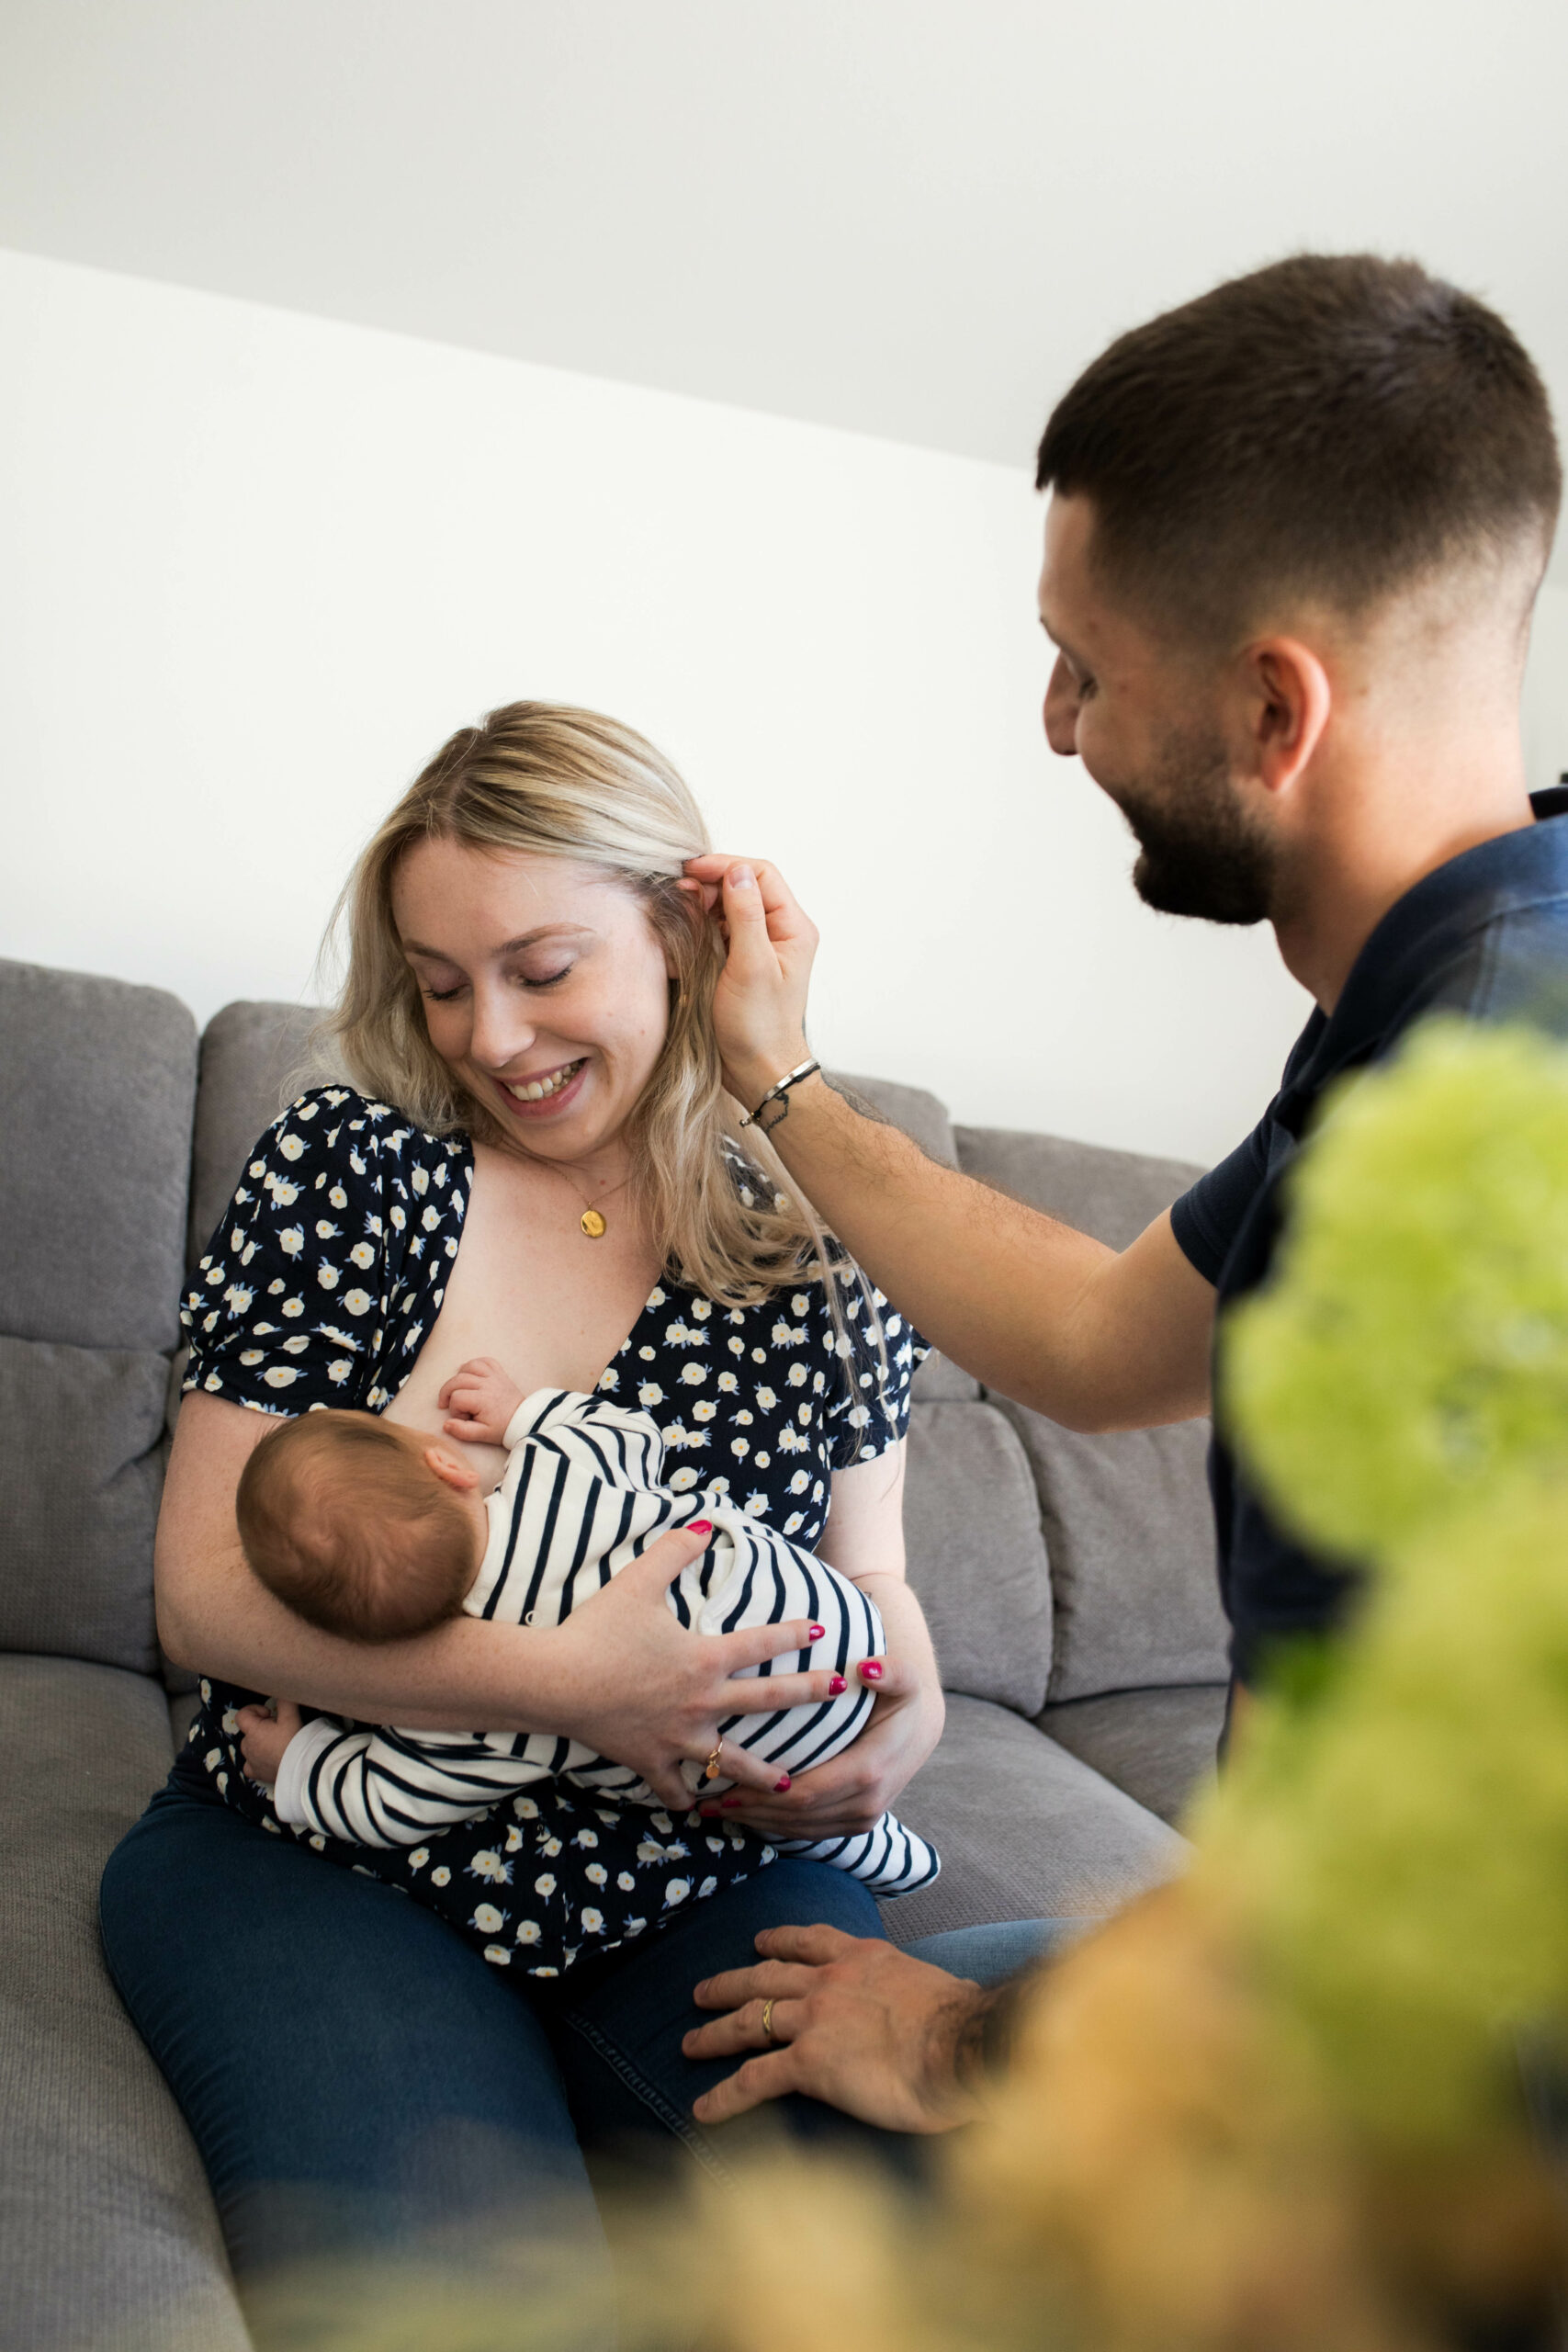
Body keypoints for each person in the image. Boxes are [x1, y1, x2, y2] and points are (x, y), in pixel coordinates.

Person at [678, 252, 1567, 2132]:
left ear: (1271, 710)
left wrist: (943, 2048)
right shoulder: (1480, 961)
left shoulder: (1452, 1165)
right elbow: (1095, 1340)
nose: (1054, 721)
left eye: (1087, 666)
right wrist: (777, 1070)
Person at [97, 703, 947, 2324]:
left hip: (697, 1871)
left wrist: (895, 1746)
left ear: (682, 938)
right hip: (332, 1850)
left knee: (888, 2265)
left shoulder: (825, 1228)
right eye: (438, 981)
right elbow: (200, 1598)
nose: (488, 1034)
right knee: (471, 2301)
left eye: (541, 968)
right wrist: (572, 1686)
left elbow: (880, 1587)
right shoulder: (351, 1166)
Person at [230, 1365, 939, 1932]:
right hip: (836, 1626)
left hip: (762, 1761)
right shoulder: (555, 1473)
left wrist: (296, 1765)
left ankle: (901, 1861)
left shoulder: (463, 1712)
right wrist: (521, 1412)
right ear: (447, 1466)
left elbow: (385, 1804)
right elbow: (629, 1432)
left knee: (782, 1814)